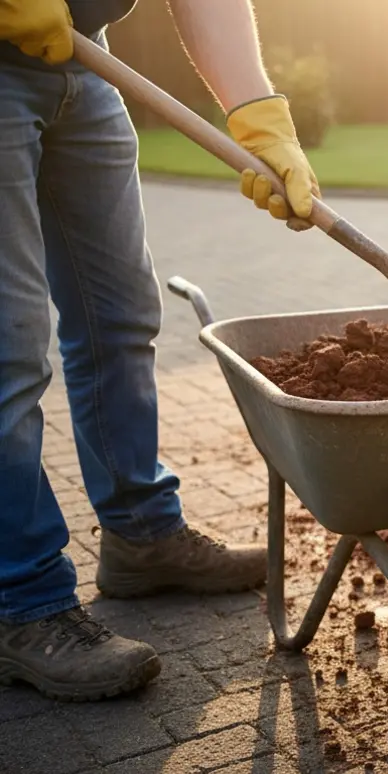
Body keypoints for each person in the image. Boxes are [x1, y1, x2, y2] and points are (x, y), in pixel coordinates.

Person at [0, 0, 320, 701]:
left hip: (83, 59)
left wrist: (258, 113)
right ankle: (22, 602)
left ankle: (141, 535)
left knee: (120, 316)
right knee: (9, 350)